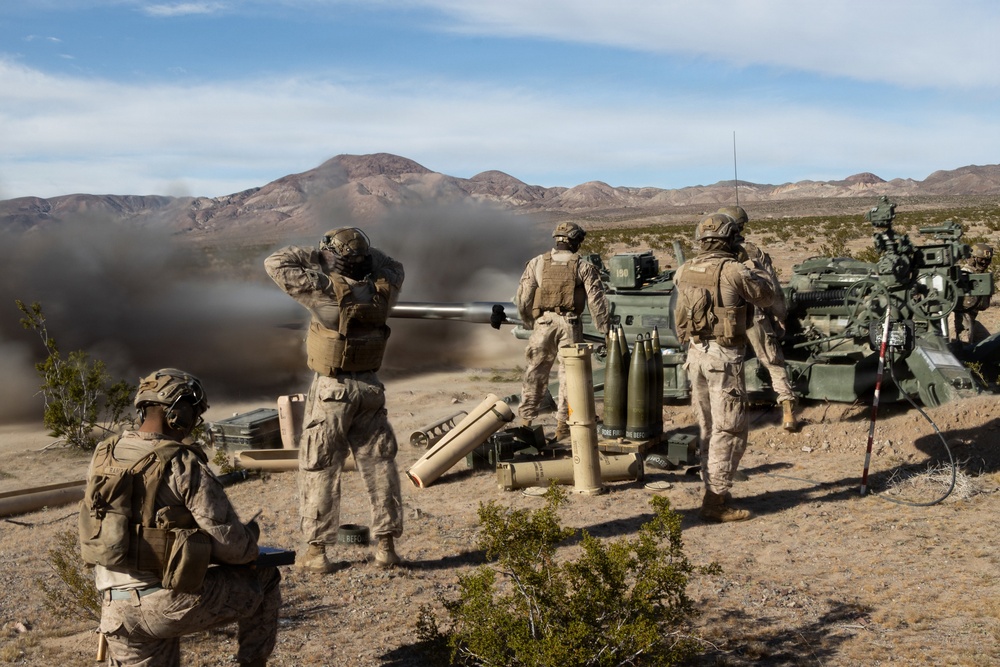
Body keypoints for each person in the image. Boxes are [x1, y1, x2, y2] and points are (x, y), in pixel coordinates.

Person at [80, 368, 280, 667]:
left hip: (115, 611)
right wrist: (250, 542)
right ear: (177, 411)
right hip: (164, 607)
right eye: (192, 410)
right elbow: (233, 547)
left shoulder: (104, 452)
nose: (193, 420)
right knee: (265, 578)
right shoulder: (181, 461)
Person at [265, 227, 404, 573]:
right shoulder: (386, 285)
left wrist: (318, 256)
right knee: (380, 465)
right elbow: (392, 263)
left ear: (336, 259)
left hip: (332, 389)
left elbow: (276, 262)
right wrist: (365, 260)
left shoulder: (324, 289)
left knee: (320, 466)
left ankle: (317, 552)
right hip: (370, 387)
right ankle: (386, 546)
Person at [674, 213, 775, 522]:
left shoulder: (684, 270)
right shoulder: (733, 270)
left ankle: (713, 489)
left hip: (695, 355)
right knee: (730, 429)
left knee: (707, 426)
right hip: (723, 358)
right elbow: (767, 297)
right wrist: (755, 266)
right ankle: (716, 501)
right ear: (730, 240)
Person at [514, 221, 611, 440]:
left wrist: (529, 321)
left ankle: (526, 422)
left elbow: (524, 298)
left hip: (543, 324)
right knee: (569, 377)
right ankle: (561, 427)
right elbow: (597, 302)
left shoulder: (537, 263)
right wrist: (605, 330)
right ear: (575, 241)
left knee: (534, 373)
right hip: (570, 324)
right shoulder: (583, 266)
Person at [718, 205, 798, 431]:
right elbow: (772, 289)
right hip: (755, 315)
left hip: (723, 318)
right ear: (741, 225)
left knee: (729, 364)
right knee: (773, 361)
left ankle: (730, 417)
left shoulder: (713, 255)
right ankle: (788, 413)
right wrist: (780, 316)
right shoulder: (753, 252)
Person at [953, 242, 994, 345]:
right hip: (961, 317)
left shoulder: (981, 276)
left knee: (989, 345)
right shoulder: (964, 274)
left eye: (987, 260)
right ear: (973, 258)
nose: (984, 263)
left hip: (971, 318)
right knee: (964, 346)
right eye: (981, 260)